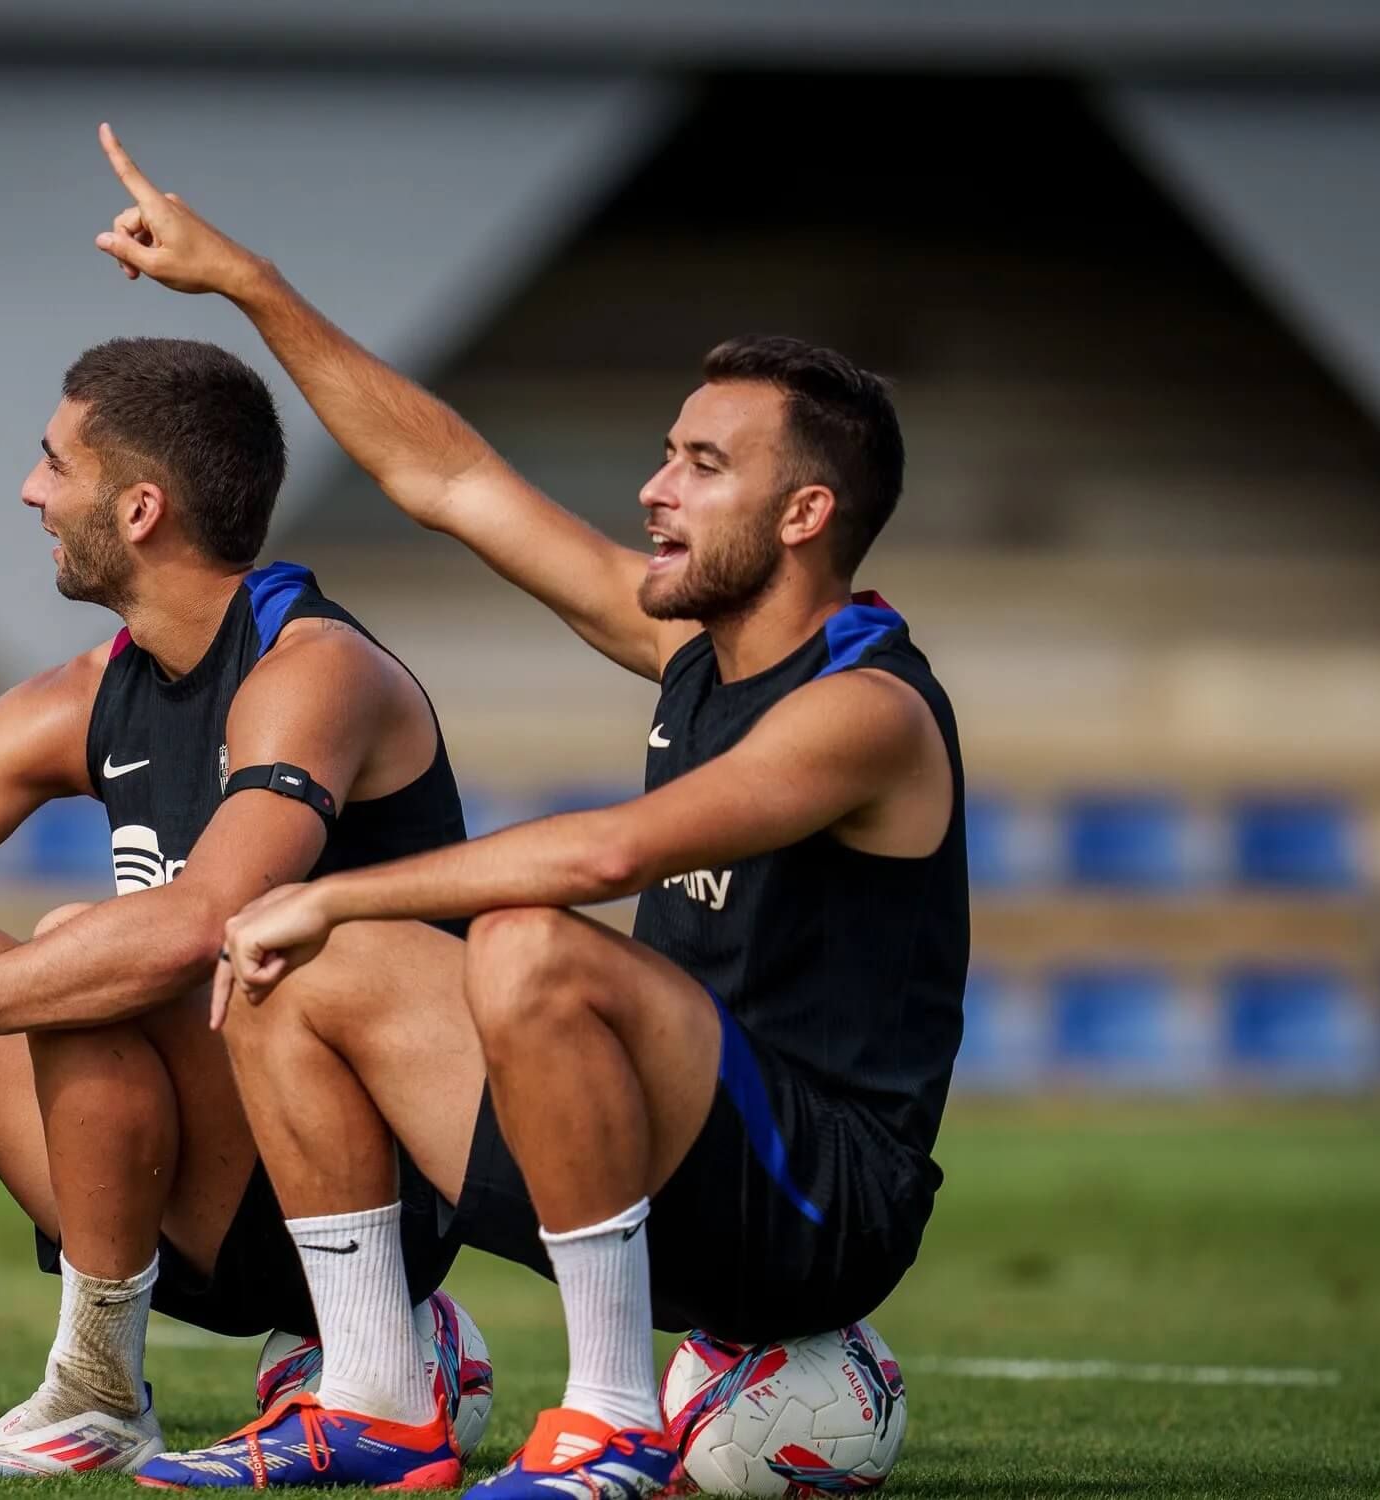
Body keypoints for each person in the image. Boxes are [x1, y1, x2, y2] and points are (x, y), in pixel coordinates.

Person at [86, 123, 966, 1498]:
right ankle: (375, 1396)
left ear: (805, 515)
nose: (653, 488)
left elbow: (608, 850)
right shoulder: (694, 648)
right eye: (666, 455)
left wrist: (340, 885)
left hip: (821, 1204)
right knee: (285, 962)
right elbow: (446, 477)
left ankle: (611, 1420)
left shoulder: (872, 711)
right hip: (645, 1140)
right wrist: (246, 284)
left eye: (700, 466)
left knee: (524, 939)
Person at [0, 335, 472, 1478]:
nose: (29, 490)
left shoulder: (313, 667)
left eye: (55, 464)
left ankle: (98, 1392)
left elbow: (202, 917)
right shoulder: (82, 693)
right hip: (180, 1173)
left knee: (81, 945)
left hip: (351, 1204)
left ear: (140, 508)